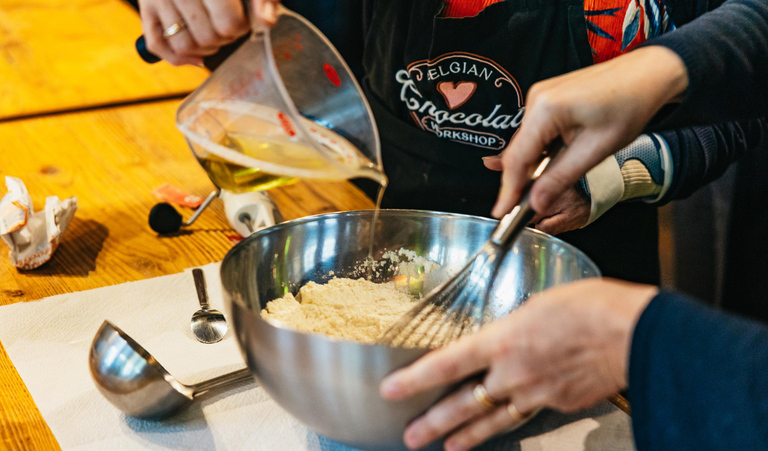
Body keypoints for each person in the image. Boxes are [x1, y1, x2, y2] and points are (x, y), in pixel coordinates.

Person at [378, 0, 768, 451]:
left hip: (588, 337)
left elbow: (739, 111)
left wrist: (613, 172)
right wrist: (666, 66)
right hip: (400, 270)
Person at [139, 0, 765, 288]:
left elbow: (739, 109)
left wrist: (613, 175)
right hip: (384, 260)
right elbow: (283, 36)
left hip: (586, 286)